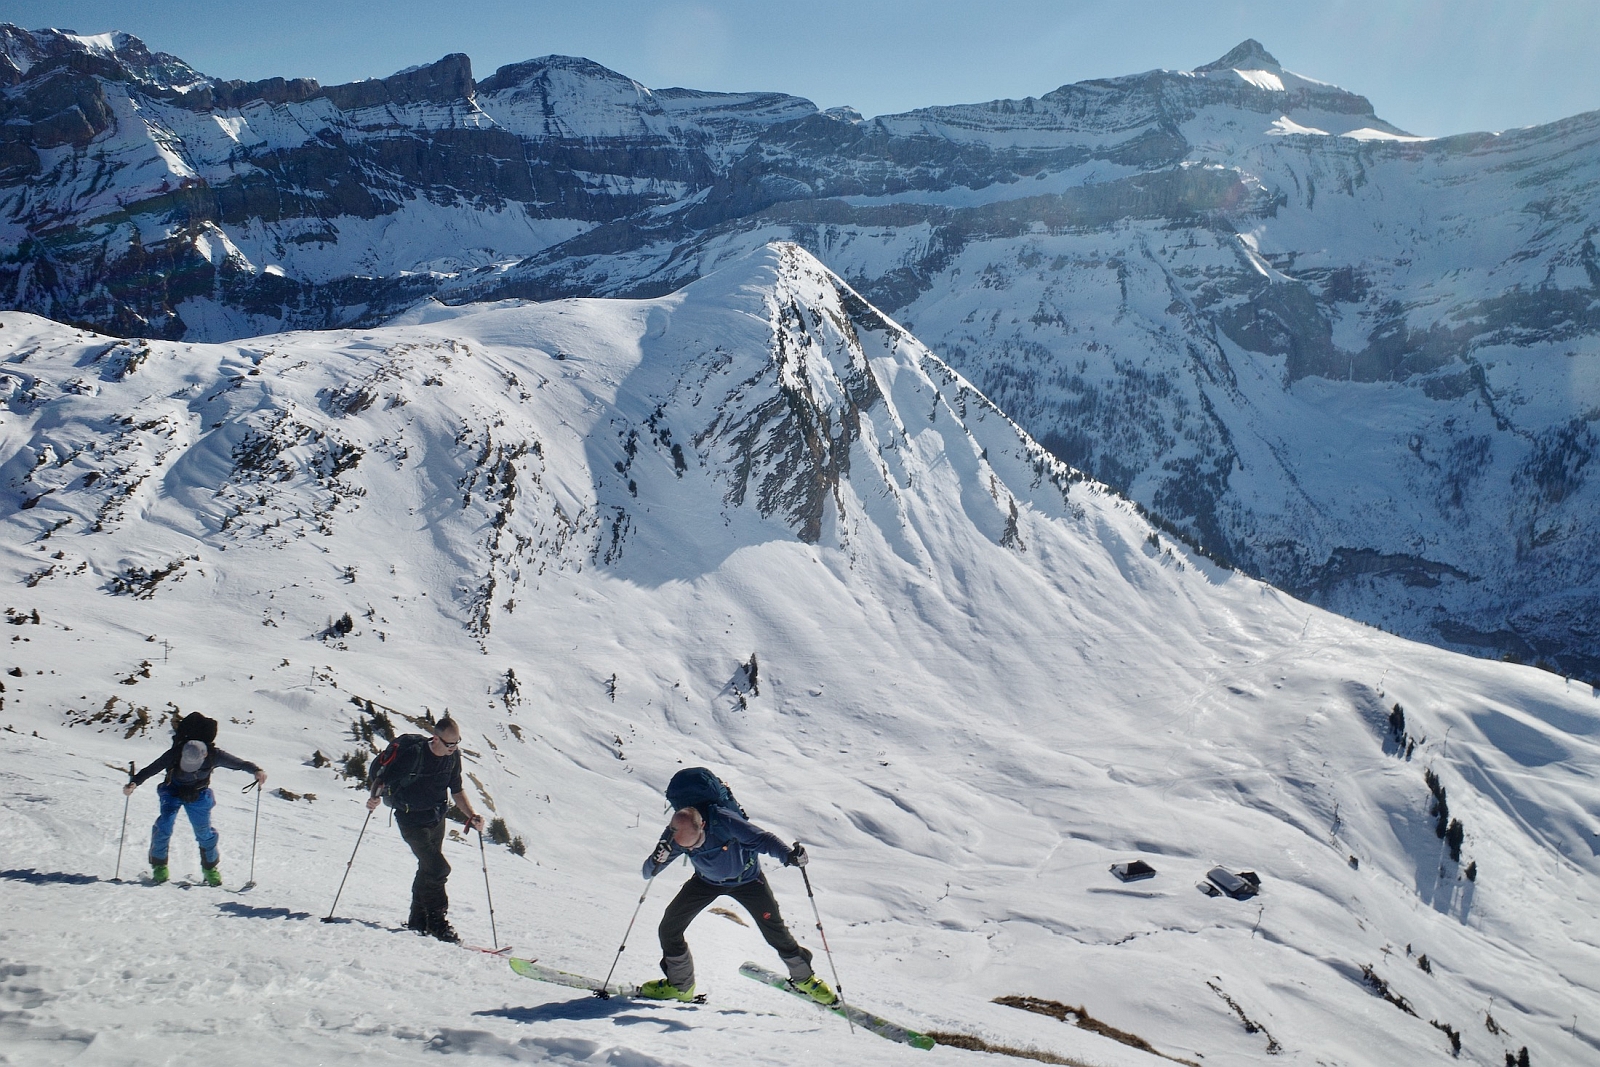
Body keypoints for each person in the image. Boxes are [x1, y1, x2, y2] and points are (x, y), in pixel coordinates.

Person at [640, 800, 835, 1004]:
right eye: (684, 846)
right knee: (669, 928)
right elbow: (647, 872)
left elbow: (763, 839)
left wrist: (788, 855)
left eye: (692, 844)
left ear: (702, 826)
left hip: (748, 881)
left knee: (775, 931)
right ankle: (681, 987)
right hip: (706, 882)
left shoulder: (724, 822)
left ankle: (804, 979)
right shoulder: (674, 837)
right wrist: (657, 859)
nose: (687, 848)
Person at [366, 715, 486, 943]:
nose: (454, 748)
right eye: (449, 744)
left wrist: (472, 816)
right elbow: (381, 781)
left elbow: (457, 791)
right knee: (438, 868)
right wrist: (373, 798)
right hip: (411, 820)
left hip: (437, 817)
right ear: (436, 738)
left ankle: (418, 921)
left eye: (457, 742)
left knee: (428, 868)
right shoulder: (414, 754)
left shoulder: (453, 757)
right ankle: (437, 923)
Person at [123, 712, 266, 886]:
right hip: (172, 790)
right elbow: (153, 768)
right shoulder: (175, 753)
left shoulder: (215, 754)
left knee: (204, 833)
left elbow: (240, 764)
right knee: (164, 826)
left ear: (204, 756)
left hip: (199, 794)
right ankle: (159, 867)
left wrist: (256, 771)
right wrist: (134, 783)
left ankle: (210, 869)